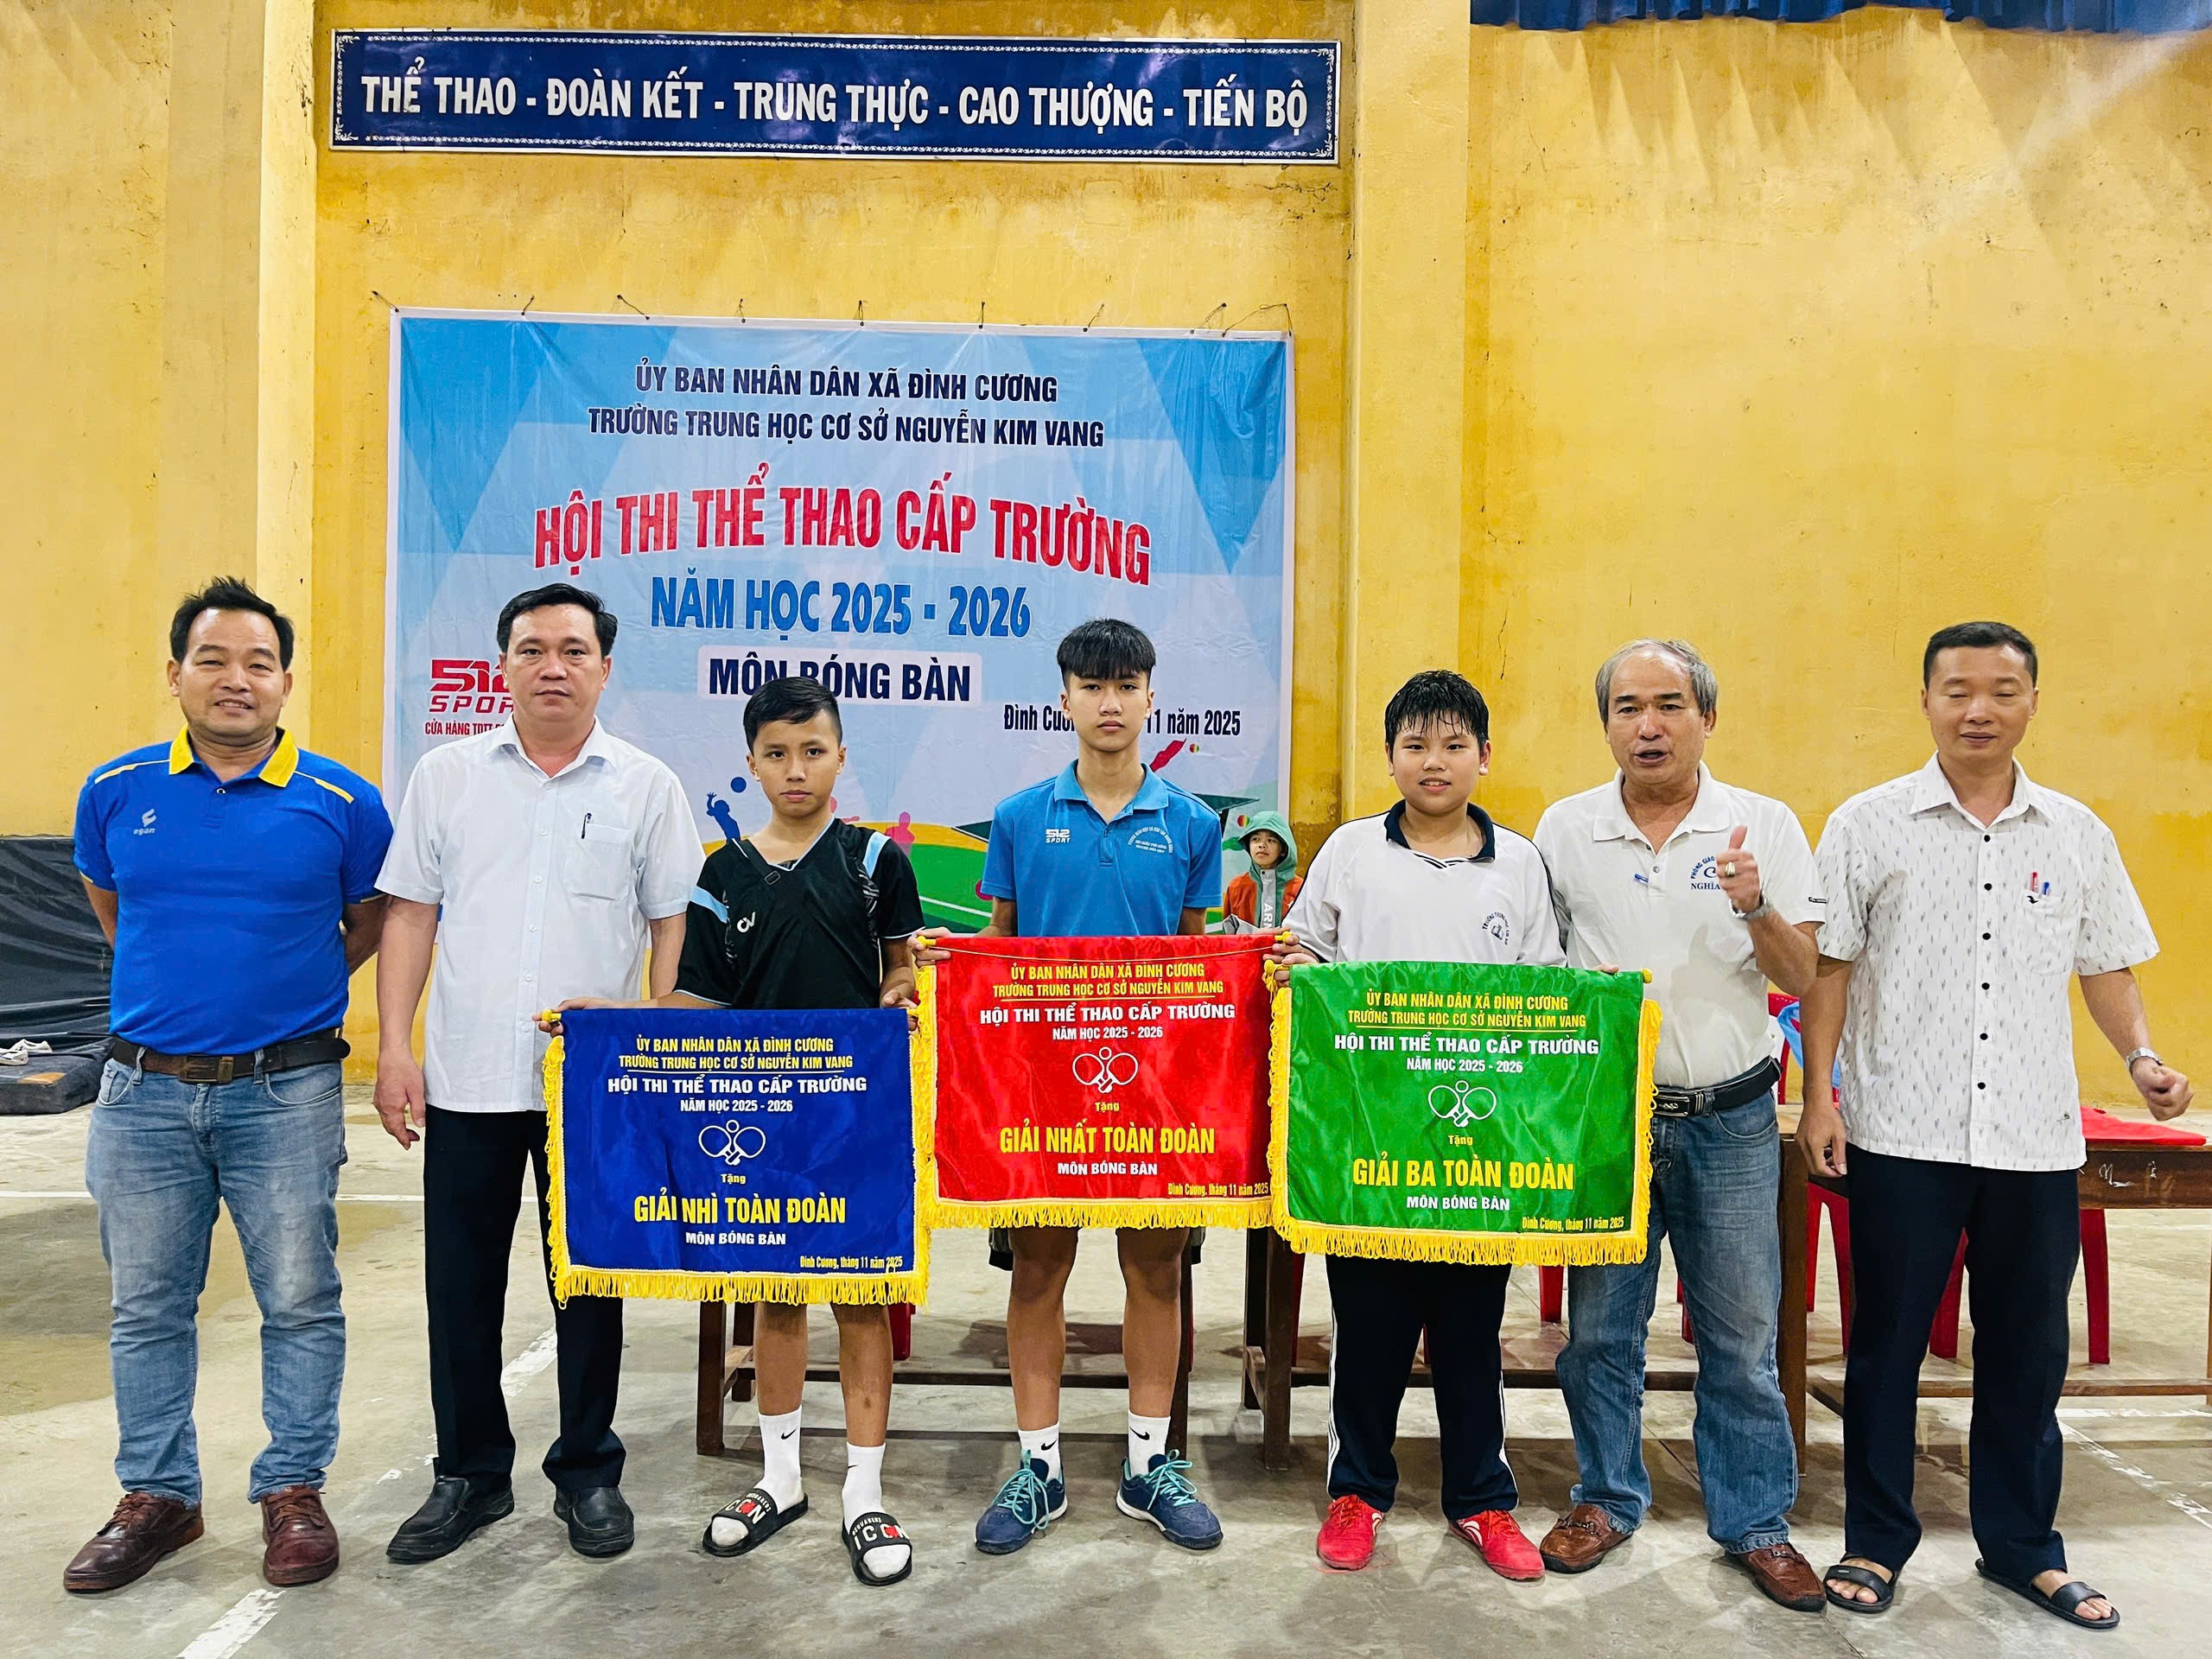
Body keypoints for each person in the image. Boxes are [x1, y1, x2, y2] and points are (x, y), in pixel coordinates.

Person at [1802, 621, 2192, 1630]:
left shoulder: (2075, 832)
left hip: (2031, 1135)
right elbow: (1829, 968)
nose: (1978, 709)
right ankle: (1875, 1540)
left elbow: (2105, 964)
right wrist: (1819, 1094)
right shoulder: (1867, 823)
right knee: (1885, 1350)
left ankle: (2022, 1548)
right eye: (1958, 690)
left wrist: (2140, 1057)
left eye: (2001, 691)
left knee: (2026, 1354)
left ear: (2031, 703)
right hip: (1901, 1132)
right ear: (1926, 701)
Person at [551, 676, 924, 1586]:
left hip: (854, 1120)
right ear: (751, 763)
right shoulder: (722, 874)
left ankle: (865, 1491)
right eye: (776, 754)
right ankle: (781, 1479)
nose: (796, 770)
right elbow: (695, 1002)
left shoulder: (877, 861)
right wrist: (613, 1022)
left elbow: (901, 973)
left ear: (841, 757)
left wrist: (900, 999)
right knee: (777, 1298)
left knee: (863, 1299)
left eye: (813, 751)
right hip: (759, 1120)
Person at [64, 578, 391, 1593]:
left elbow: (371, 920)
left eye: (258, 663)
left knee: (299, 1298)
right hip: (142, 1095)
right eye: (213, 660)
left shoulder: (343, 803)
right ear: (176, 674)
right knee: (146, 1305)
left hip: (286, 1092)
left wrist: (291, 989)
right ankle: (158, 1496)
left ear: (286, 682)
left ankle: (292, 1490)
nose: (235, 680)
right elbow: (114, 907)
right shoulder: (115, 790)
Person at [374, 582, 700, 1563]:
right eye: (531, 649)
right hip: (466, 1074)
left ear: (605, 668)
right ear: (503, 666)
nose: (552, 667)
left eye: (572, 650)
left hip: (591, 1088)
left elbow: (672, 923)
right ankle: (470, 1476)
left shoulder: (646, 785)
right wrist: (395, 1047)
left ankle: (588, 1472)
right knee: (459, 1286)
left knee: (589, 1282)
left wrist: (657, 1041)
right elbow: (410, 914)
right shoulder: (446, 776)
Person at [919, 618, 1225, 1556]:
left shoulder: (1192, 823)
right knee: (1039, 1271)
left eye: (1126, 685)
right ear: (1063, 700)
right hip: (1041, 1093)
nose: (1109, 702)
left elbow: (1199, 961)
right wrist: (947, 962)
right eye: (1091, 686)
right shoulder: (1019, 818)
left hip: (1152, 1094)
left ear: (1150, 697)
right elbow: (1000, 944)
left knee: (1155, 1272)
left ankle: (1148, 1465)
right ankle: (1039, 1468)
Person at [1530, 639, 1826, 1612]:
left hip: (1731, 1119)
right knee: (1598, 1333)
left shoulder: (1762, 824)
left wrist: (1756, 904)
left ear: (1707, 717)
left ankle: (1755, 1523)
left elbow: (1801, 973)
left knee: (1740, 1337)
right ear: (1606, 723)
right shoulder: (1565, 829)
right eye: (1627, 708)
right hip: (1610, 1121)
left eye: (1668, 705)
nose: (1647, 726)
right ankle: (1605, 1499)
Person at [1273, 669, 1564, 1581]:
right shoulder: (1351, 852)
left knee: (1472, 1332)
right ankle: (1357, 1492)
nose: (1433, 762)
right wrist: (1293, 968)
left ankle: (1481, 1500)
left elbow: (1544, 992)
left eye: (1452, 745)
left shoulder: (1519, 864)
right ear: (1390, 756)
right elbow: (1302, 949)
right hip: (1368, 1139)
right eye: (1415, 745)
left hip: (1479, 1144)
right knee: (1368, 1328)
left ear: (1484, 756)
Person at [1222, 811, 1301, 932]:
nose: (1262, 845)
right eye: (1255, 839)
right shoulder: (1236, 887)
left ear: (1284, 849)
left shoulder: (1301, 889)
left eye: (1271, 840)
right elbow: (1228, 936)